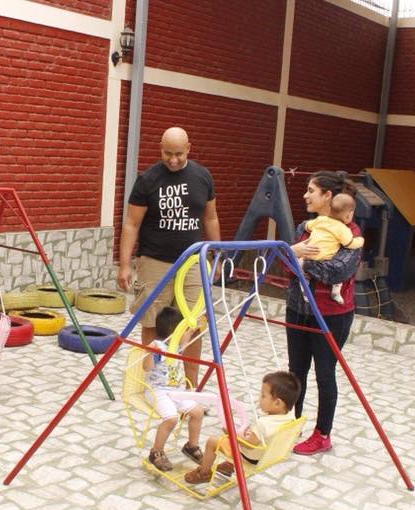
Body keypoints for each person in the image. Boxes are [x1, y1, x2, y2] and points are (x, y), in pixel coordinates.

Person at [117, 127, 220, 387]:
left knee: (194, 323)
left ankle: (190, 387)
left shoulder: (203, 177)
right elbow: (131, 223)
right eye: (167, 153)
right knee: (152, 321)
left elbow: (210, 218)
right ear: (160, 149)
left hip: (193, 261)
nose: (173, 160)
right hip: (155, 261)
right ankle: (153, 383)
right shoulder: (147, 180)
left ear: (189, 149)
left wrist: (216, 255)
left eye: (178, 154)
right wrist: (125, 265)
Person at [287, 170, 363, 456]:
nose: (305, 196)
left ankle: (322, 434)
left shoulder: (349, 232)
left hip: (332, 314)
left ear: (327, 196)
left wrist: (301, 259)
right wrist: (292, 251)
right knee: (296, 370)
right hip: (298, 308)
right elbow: (283, 263)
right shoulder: (305, 228)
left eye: (311, 191)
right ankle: (291, 424)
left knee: (324, 373)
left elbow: (338, 271)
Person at [183, 371, 300, 485]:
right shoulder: (290, 417)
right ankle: (228, 466)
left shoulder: (263, 424)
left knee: (212, 442)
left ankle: (204, 473)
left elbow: (247, 444)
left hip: (249, 457)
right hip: (267, 456)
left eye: (263, 396)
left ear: (278, 403)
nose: (259, 398)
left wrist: (230, 433)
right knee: (240, 434)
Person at [144, 306, 205, 472]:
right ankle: (156, 452)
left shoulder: (177, 345)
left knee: (198, 412)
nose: (185, 333)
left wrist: (195, 324)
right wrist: (149, 353)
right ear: (175, 331)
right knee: (171, 419)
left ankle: (191, 446)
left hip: (176, 392)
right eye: (182, 329)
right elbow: (147, 368)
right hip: (157, 392)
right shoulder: (158, 347)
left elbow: (189, 335)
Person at [300, 193, 364, 304]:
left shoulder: (320, 220)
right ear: (349, 215)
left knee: (305, 273)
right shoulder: (343, 229)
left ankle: (304, 286)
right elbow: (349, 243)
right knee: (338, 277)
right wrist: (360, 241)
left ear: (330, 209)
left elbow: (307, 226)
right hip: (325, 258)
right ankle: (335, 291)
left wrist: (314, 230)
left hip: (308, 254)